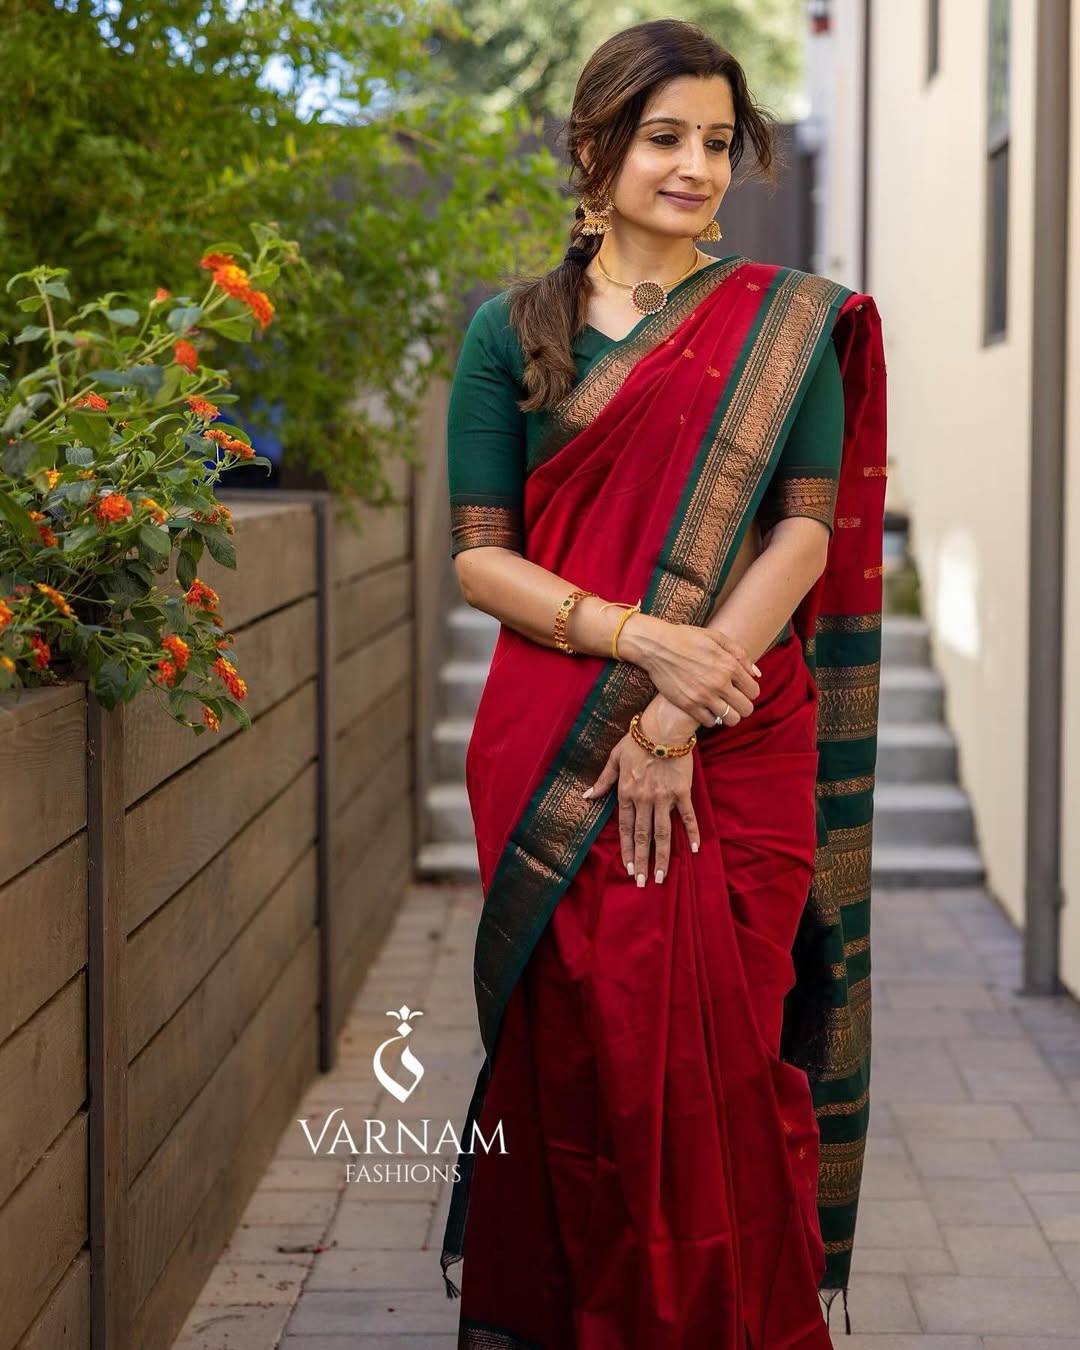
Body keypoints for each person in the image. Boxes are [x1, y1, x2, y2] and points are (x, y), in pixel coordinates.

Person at [440, 18, 887, 1348]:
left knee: (722, 1065)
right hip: (559, 727)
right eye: (662, 138)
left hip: (739, 722)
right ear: (595, 148)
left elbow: (803, 531)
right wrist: (638, 644)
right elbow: (482, 559)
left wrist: (686, 702)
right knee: (588, 1058)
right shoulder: (509, 334)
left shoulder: (784, 328)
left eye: (713, 142)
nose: (693, 167)